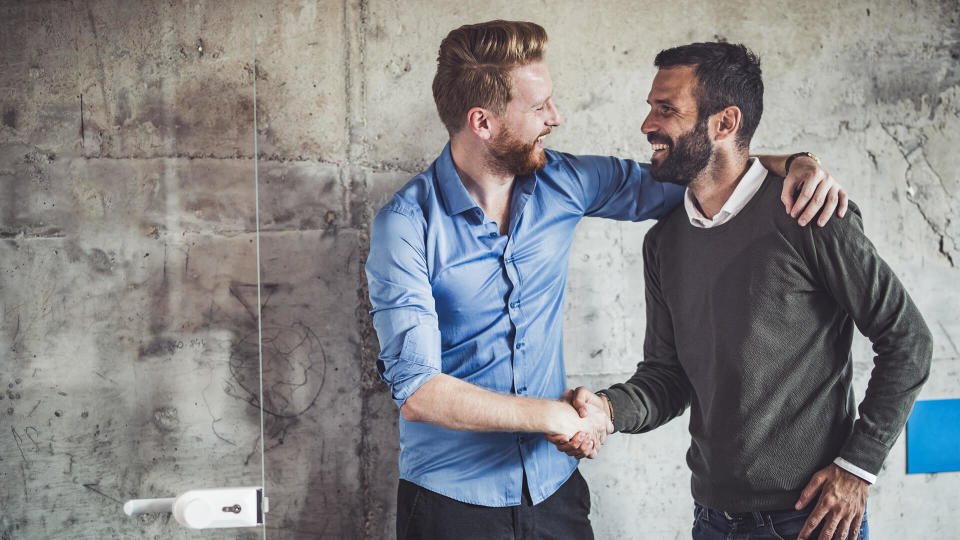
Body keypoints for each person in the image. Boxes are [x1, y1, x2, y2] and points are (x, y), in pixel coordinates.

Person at [365, 21, 847, 540]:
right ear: (482, 122)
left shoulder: (563, 181)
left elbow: (698, 176)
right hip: (450, 501)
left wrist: (794, 162)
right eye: (538, 107)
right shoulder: (405, 225)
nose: (556, 117)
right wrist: (555, 418)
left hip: (555, 492)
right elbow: (418, 390)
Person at [550, 42, 932, 540]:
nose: (647, 124)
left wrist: (858, 467)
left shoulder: (807, 212)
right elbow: (667, 377)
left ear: (725, 123)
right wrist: (607, 410)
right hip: (711, 520)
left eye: (666, 109)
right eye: (651, 107)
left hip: (811, 519)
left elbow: (909, 341)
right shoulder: (664, 241)